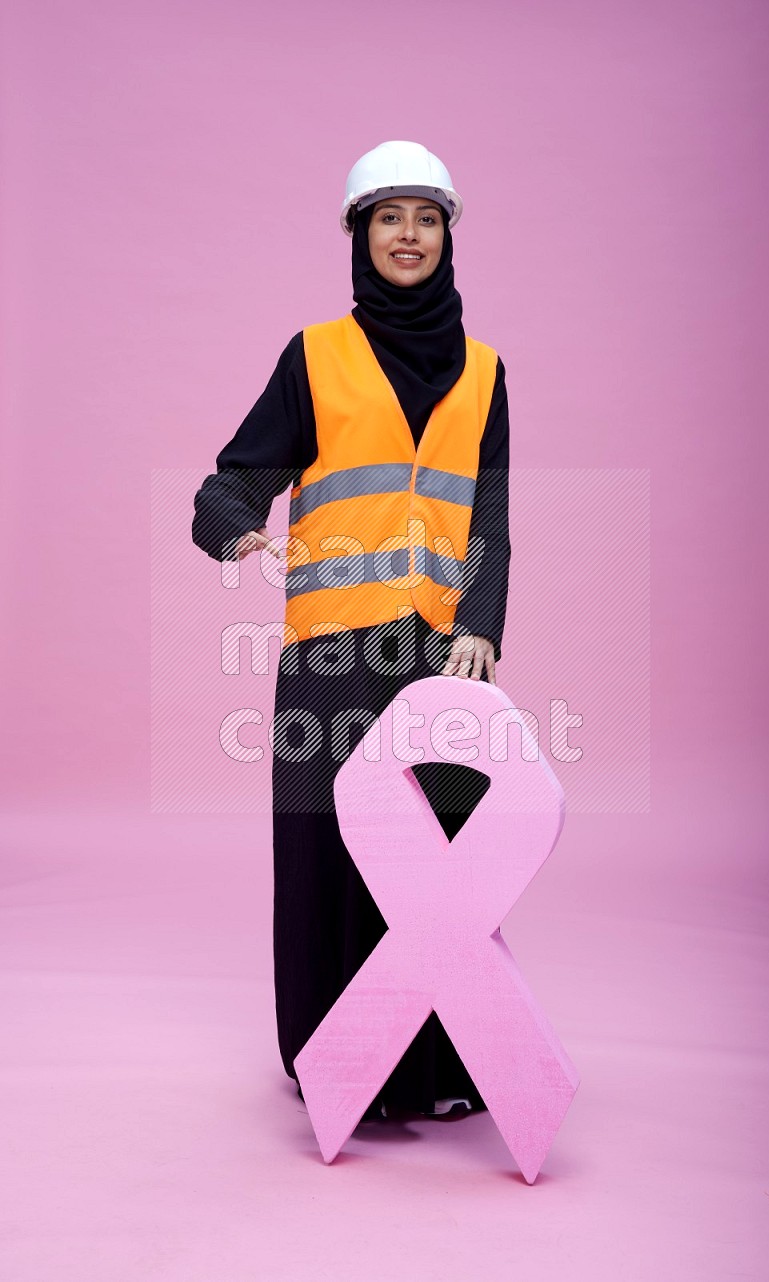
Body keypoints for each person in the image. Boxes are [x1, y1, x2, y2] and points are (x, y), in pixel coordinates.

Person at [192, 141, 511, 1121]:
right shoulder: (315, 355)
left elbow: (487, 520)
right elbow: (239, 472)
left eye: (424, 217)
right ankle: (336, 1062)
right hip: (333, 649)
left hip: (435, 656)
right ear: (358, 235)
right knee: (328, 847)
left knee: (442, 850)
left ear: (446, 234)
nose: (406, 234)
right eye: (387, 217)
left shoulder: (486, 372)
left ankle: (440, 1068)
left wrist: (480, 627)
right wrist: (232, 523)